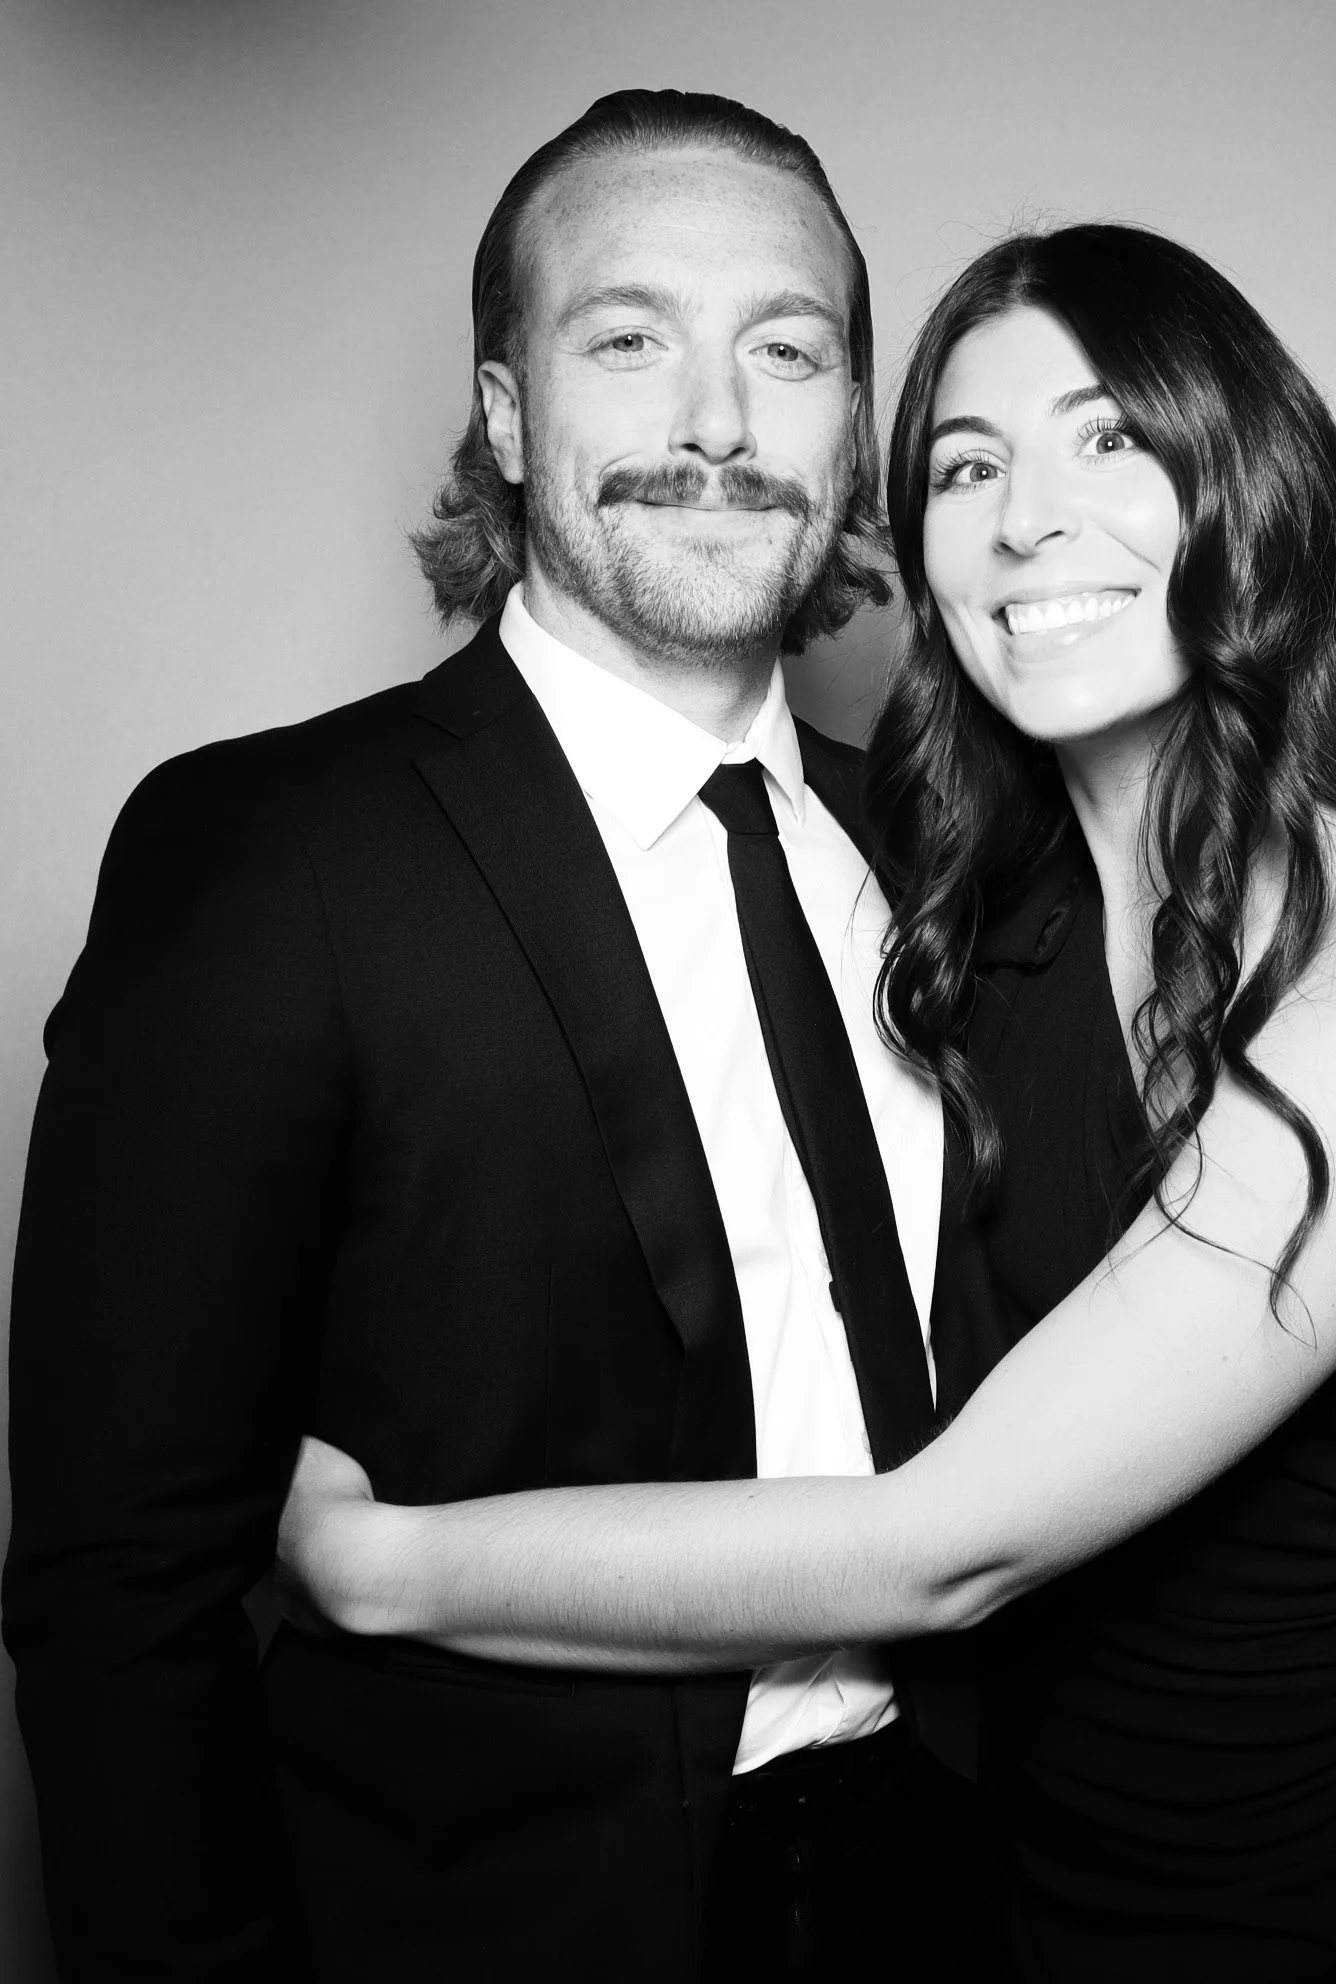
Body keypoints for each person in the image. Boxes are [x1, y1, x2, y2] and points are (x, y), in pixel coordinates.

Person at [279, 224, 1336, 1981]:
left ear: (1254, 482)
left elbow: (949, 1541)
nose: (1025, 520)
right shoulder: (976, 918)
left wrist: (375, 1566)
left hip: (1250, 1893)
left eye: (1109, 441)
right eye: (966, 466)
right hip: (955, 1863)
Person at [4, 89, 1005, 1983]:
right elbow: (115, 1589)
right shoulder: (271, 857)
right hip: (483, 1923)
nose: (718, 420)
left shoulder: (946, 853)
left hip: (948, 1887)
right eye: (629, 340)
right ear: (506, 410)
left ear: (852, 426)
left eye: (785, 352)